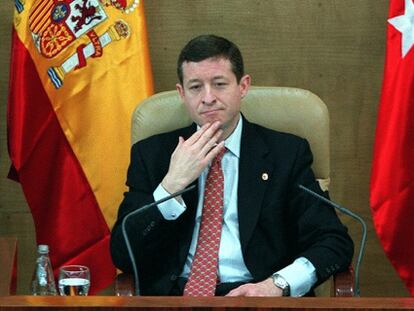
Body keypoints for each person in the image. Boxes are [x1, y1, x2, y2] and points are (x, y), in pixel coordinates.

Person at [110, 34, 353, 297]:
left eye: (219, 84)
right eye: (195, 87)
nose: (208, 98)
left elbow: (334, 243)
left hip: (260, 295)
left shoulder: (286, 154)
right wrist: (170, 186)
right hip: (177, 297)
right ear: (181, 93)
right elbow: (123, 254)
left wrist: (277, 285)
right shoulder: (153, 155)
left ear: (243, 86)